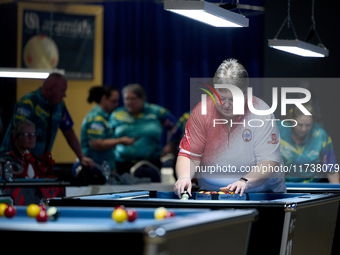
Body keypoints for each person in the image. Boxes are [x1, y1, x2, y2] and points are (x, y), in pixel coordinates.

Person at [174, 58, 286, 198]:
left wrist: (245, 181)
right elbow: (189, 155)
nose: (226, 105)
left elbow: (269, 162)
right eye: (221, 98)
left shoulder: (261, 112)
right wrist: (184, 177)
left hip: (260, 193)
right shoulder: (201, 112)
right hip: (211, 194)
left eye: (232, 99)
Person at [0, 73, 94, 169]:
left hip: (37, 163)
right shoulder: (28, 102)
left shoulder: (59, 106)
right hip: (13, 161)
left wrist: (81, 156)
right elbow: (21, 134)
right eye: (62, 91)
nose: (65, 95)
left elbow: (68, 131)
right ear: (51, 89)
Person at [109, 83, 177, 180]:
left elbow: (174, 126)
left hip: (151, 162)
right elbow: (107, 135)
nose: (129, 102)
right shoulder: (117, 114)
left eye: (133, 99)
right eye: (126, 99)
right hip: (122, 163)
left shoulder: (156, 111)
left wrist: (170, 145)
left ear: (142, 99)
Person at [278, 103, 339, 183]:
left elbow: (331, 170)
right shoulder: (278, 131)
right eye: (300, 124)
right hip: (282, 185)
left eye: (308, 125)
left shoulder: (321, 136)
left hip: (313, 186)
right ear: (291, 120)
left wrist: (337, 192)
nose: (303, 129)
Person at [80, 86, 134, 176]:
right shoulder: (96, 118)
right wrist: (121, 141)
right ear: (104, 98)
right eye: (114, 101)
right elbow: (96, 144)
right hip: (95, 170)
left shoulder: (104, 118)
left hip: (102, 170)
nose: (116, 104)